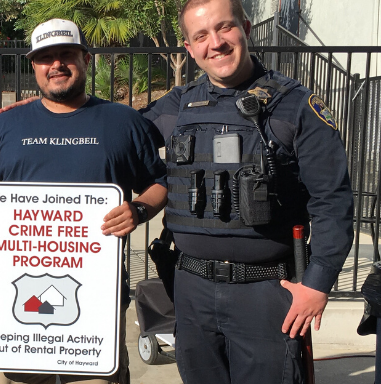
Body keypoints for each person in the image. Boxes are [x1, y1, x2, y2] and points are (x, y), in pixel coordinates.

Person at [138, 0, 354, 383]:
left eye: (225, 28)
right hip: (191, 290)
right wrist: (45, 111)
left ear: (247, 28)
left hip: (268, 292)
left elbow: (333, 203)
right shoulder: (179, 103)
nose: (216, 43)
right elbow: (115, 137)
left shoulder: (296, 106)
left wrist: (317, 284)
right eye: (201, 35)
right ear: (189, 48)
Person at [0, 19, 168, 384]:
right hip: (15, 311)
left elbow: (160, 183)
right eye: (45, 57)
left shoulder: (122, 122)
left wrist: (138, 210)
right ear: (34, 67)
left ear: (86, 59)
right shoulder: (4, 126)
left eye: (66, 54)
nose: (56, 64)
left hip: (95, 303)